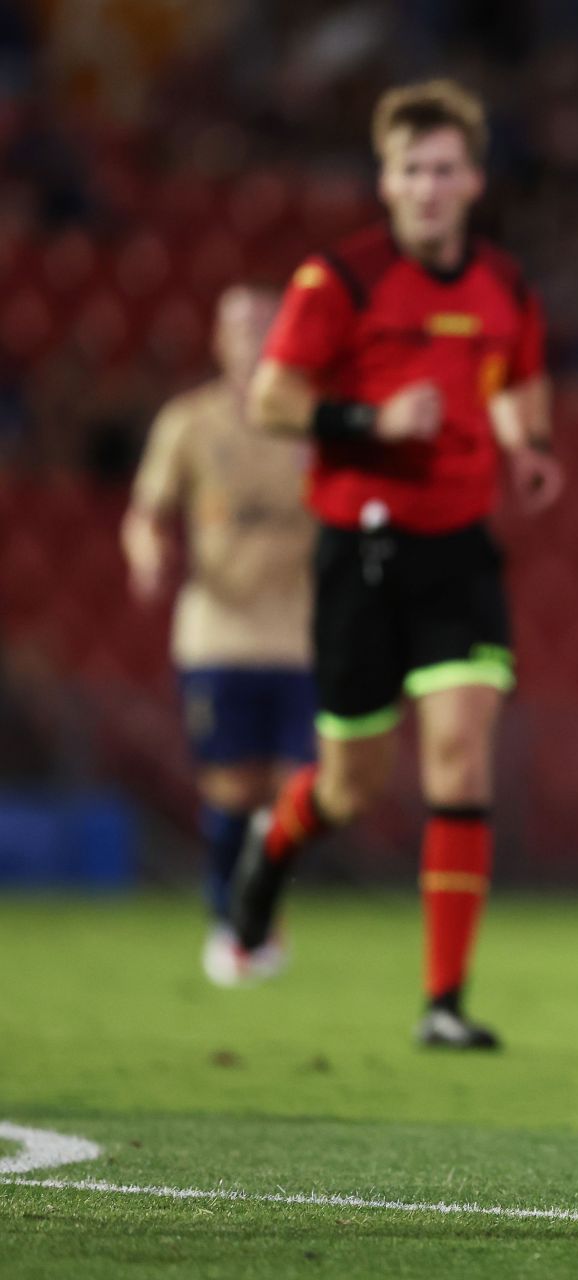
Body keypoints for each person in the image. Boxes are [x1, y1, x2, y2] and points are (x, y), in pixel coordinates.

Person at [229, 79, 562, 1050]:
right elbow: (272, 401)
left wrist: (526, 444)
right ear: (385, 178)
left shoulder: (505, 283)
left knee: (460, 752)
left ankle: (443, 1002)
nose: (427, 185)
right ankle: (275, 837)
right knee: (350, 788)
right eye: (410, 168)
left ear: (473, 180)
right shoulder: (338, 280)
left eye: (444, 168)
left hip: (459, 548)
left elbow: (513, 382)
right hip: (359, 553)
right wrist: (370, 419)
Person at [122, 284, 315, 987]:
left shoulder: (310, 424)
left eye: (268, 326)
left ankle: (260, 911)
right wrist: (148, 556)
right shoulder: (189, 423)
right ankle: (227, 923)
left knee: (298, 792)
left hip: (301, 635)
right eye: (241, 327)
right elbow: (146, 512)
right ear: (218, 340)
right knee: (234, 790)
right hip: (219, 633)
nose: (255, 339)